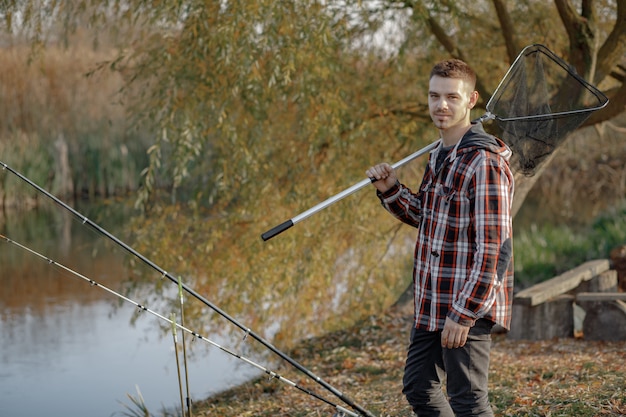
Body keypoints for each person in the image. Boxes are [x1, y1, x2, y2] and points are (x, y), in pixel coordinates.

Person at [366, 59, 514, 417]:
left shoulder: (484, 161)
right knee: (419, 386)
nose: (441, 105)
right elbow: (427, 216)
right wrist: (390, 190)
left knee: (467, 400)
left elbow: (494, 248)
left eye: (451, 97)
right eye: (434, 96)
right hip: (434, 298)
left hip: (467, 302)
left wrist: (463, 314)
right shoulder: (438, 155)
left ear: (471, 100)